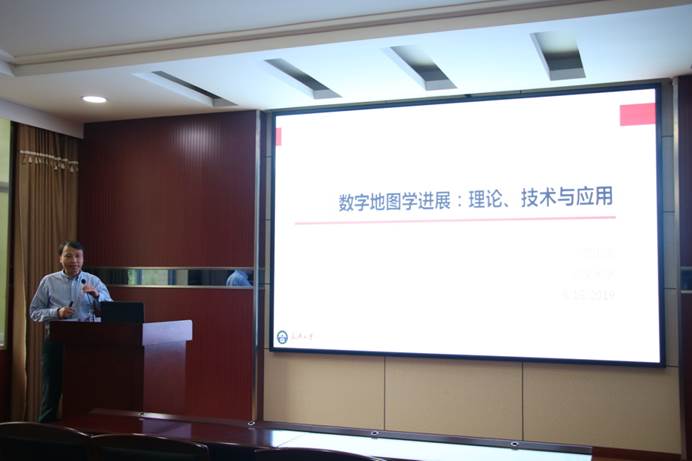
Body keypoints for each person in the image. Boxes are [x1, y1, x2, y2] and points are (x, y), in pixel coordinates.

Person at [29, 240, 112, 422]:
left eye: (77, 256)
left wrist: (97, 295)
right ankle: (45, 433)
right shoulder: (49, 281)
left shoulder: (93, 281)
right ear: (60, 258)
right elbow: (34, 312)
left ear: (83, 259)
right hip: (56, 342)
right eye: (68, 256)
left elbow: (111, 310)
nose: (74, 260)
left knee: (83, 391)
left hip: (86, 344)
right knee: (51, 391)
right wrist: (57, 312)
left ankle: (80, 431)